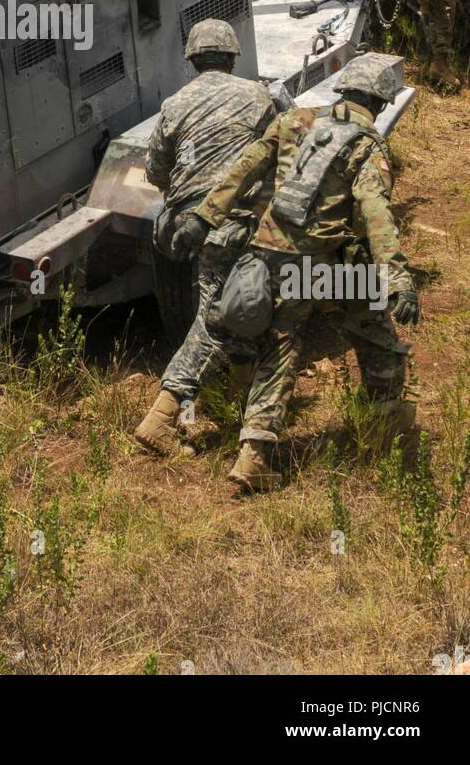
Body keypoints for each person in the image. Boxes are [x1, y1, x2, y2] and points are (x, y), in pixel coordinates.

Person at [170, 55, 418, 493]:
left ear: (343, 90)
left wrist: (204, 218)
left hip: (266, 253)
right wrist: (397, 278)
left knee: (275, 344)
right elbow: (377, 213)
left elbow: (244, 168)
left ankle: (249, 452)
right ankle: (384, 421)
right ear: (380, 102)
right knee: (374, 325)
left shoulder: (293, 119)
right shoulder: (366, 145)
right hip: (324, 265)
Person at [135, 19, 276, 455]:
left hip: (181, 224)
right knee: (218, 319)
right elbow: (274, 158)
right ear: (233, 57)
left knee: (226, 311)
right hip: (230, 224)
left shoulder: (174, 104)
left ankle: (229, 401)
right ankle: (161, 417)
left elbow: (156, 170)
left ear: (193, 60)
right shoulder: (258, 98)